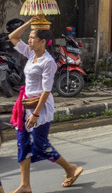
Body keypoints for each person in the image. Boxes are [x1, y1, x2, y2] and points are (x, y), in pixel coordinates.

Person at [8, 16, 84, 192]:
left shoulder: (48, 61)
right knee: (23, 143)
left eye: (32, 37)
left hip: (40, 108)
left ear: (43, 41)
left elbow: (46, 90)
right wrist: (29, 23)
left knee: (40, 144)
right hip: (26, 104)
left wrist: (35, 114)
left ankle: (70, 168)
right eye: (29, 37)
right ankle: (25, 185)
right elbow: (12, 37)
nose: (29, 40)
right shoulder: (30, 53)